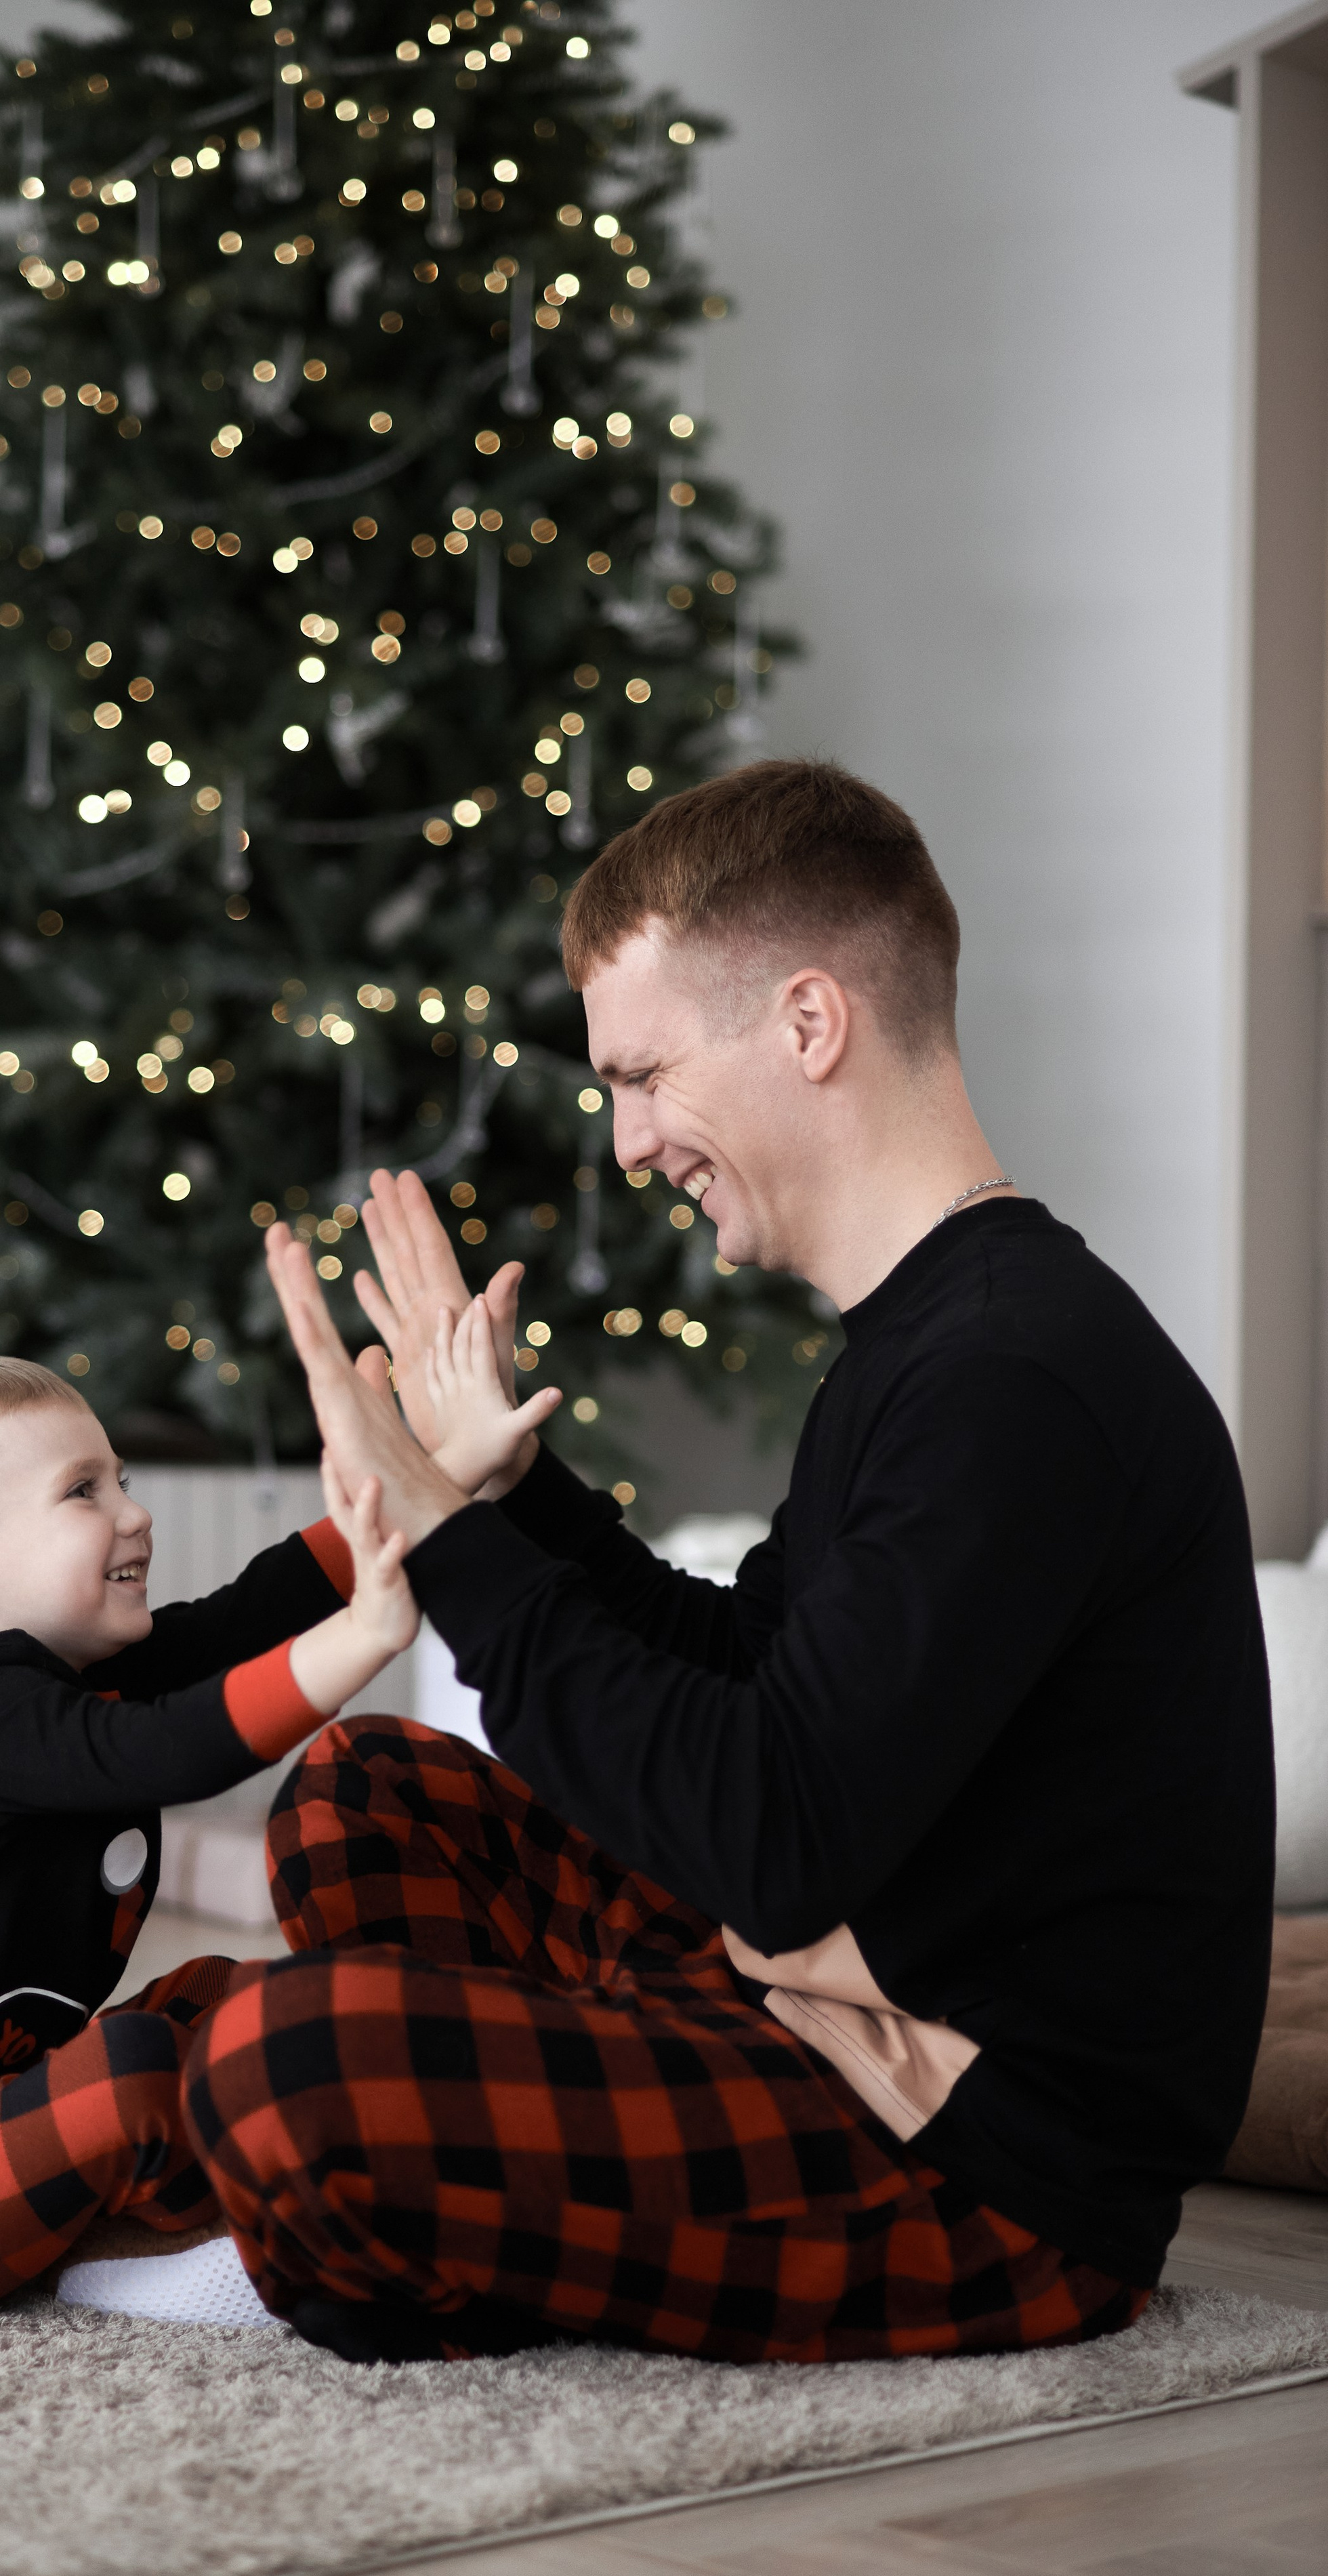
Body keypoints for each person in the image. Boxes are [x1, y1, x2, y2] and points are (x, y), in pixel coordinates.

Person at [180, 757, 1275, 2368]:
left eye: (642, 1076)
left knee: (281, 2064)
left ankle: (401, 2219)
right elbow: (756, 1677)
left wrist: (445, 1530)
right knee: (367, 1791)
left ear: (808, 1023)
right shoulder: (929, 1340)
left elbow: (763, 1840)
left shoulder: (1011, 1378)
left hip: (983, 2168)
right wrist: (520, 1495)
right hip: (820, 2007)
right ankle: (442, 2209)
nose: (626, 1145)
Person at [0, 1344, 554, 2315]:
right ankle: (150, 2264)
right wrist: (363, 1639)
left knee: (231, 2000)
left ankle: (381, 2129)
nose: (136, 1512)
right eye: (83, 1491)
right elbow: (172, 1751)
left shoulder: (74, 1676)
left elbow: (257, 1609)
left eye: (119, 1478)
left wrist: (433, 1475)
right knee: (131, 2077)